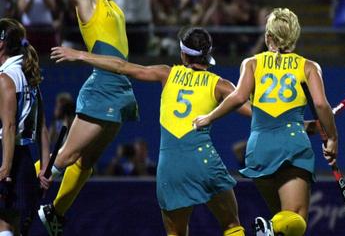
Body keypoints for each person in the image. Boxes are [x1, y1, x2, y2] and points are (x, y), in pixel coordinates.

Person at [50, 27, 250, 236]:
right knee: (231, 225)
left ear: (183, 54)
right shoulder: (220, 85)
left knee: (176, 234)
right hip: (204, 161)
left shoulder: (166, 73)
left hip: (170, 167)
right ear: (208, 55)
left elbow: (121, 66)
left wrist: (80, 54)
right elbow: (254, 112)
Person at [30, 0, 139, 236]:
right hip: (103, 88)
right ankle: (17, 183)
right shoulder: (86, 0)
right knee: (60, 160)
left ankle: (56, 214)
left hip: (119, 88)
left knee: (87, 164)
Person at [193, 8, 338, 236]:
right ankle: (271, 226)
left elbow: (238, 97)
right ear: (295, 36)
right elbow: (321, 105)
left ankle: (271, 228)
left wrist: (210, 117)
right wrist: (333, 138)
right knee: (294, 220)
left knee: (282, 218)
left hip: (259, 147)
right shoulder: (308, 66)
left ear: (268, 37)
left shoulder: (251, 63)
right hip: (292, 147)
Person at [0, 18, 51, 236]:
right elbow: (42, 129)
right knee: (11, 224)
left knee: (4, 223)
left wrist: (5, 168)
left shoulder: (5, 79)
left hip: (5, 155)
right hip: (25, 161)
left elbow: (9, 126)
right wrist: (45, 169)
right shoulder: (29, 78)